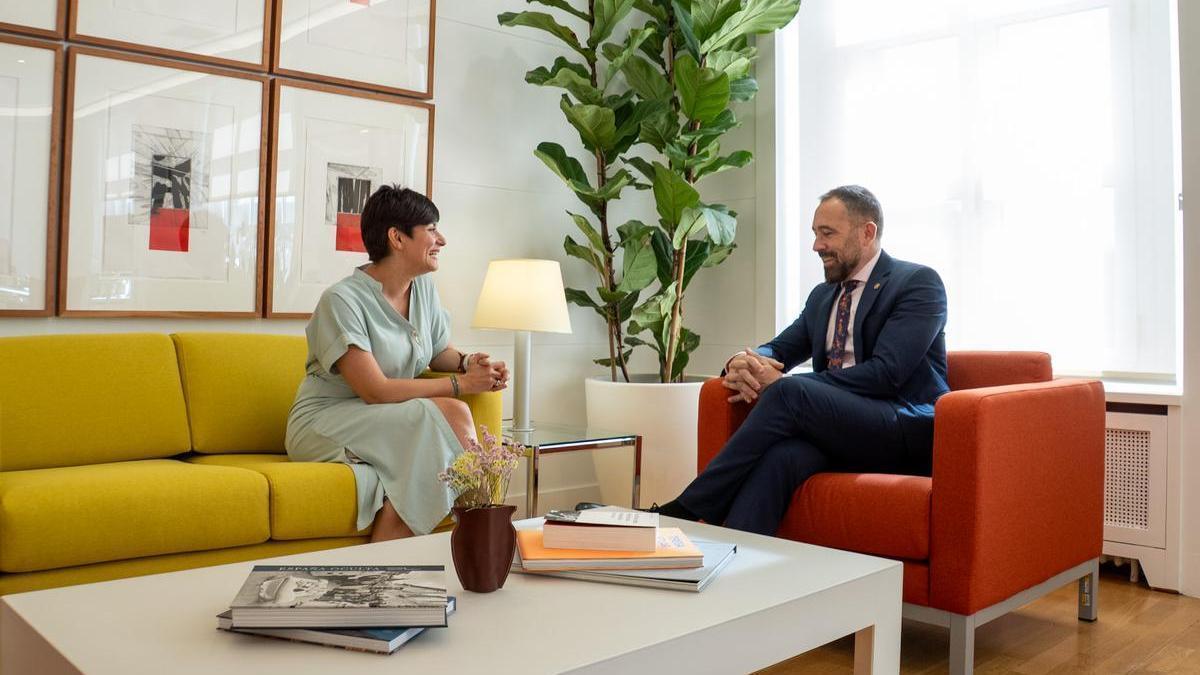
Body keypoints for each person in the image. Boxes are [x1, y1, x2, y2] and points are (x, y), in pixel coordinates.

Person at [652, 185, 949, 535]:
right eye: (815, 234)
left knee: (787, 393)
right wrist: (744, 362)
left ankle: (688, 509)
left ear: (867, 232)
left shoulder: (916, 283)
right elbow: (780, 349)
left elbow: (888, 374)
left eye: (828, 234)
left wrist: (785, 384)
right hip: (841, 428)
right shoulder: (824, 296)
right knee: (782, 459)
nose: (817, 246)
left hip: (901, 424)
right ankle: (732, 558)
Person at [286, 185, 509, 542]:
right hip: (325, 422)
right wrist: (460, 385)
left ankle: (394, 560)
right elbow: (375, 391)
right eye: (432, 229)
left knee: (434, 439)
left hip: (387, 419)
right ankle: (485, 535)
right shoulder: (341, 301)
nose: (443, 240)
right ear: (397, 238)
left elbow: (437, 351)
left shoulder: (423, 291)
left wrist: (470, 363)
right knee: (442, 414)